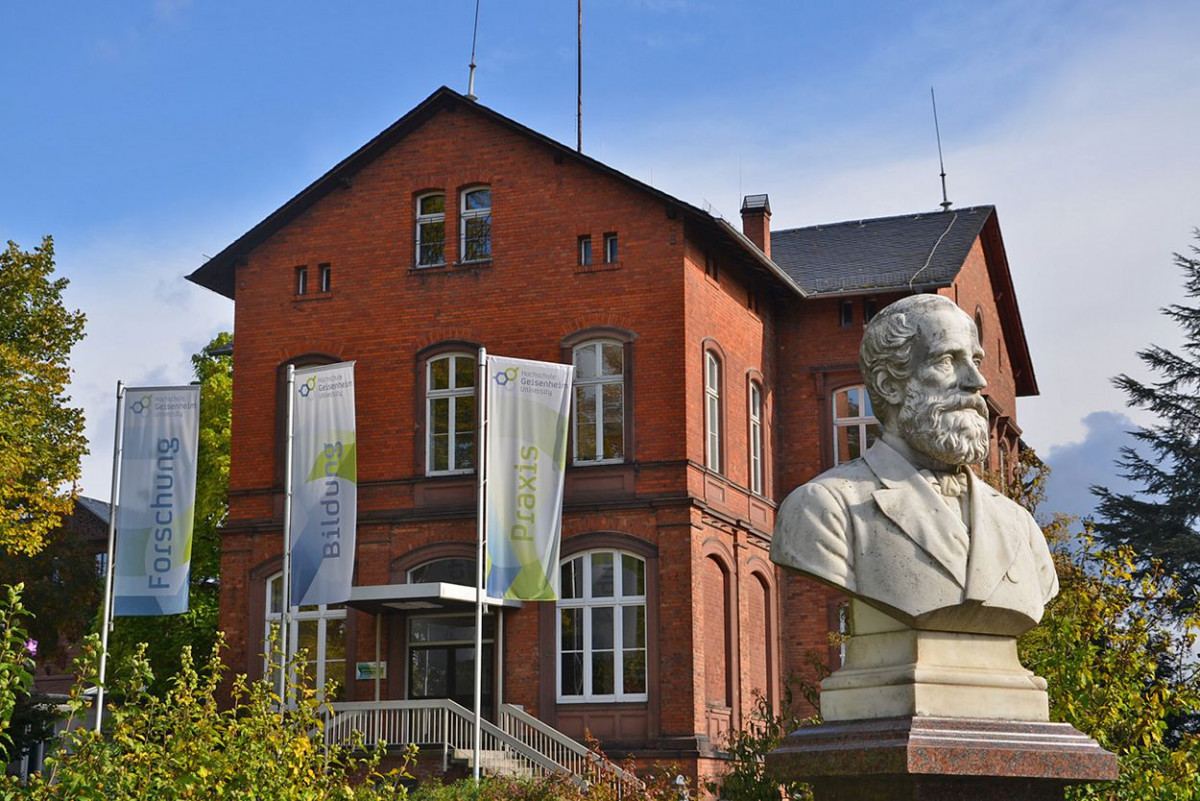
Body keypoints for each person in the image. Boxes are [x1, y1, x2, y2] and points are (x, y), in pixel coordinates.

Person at [771, 294, 1057, 636]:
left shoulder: (1019, 525)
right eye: (948, 360)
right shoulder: (822, 508)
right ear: (889, 384)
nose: (976, 381)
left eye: (976, 361)